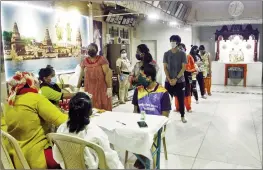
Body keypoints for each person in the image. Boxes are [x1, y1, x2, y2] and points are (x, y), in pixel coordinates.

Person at [4, 71, 67, 169]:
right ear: (31, 83)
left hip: (16, 155)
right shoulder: (36, 98)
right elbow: (62, 121)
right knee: (69, 157)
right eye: (37, 83)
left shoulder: (10, 101)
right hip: (37, 155)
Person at [53, 92, 124, 169]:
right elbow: (111, 160)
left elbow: (57, 157)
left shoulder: (62, 129)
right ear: (90, 112)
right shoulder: (96, 133)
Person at [132, 64, 171, 169]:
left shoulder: (163, 93)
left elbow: (164, 118)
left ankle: (143, 157)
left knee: (145, 135)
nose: (138, 78)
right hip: (141, 122)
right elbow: (135, 111)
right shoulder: (138, 90)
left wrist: (152, 126)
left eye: (141, 76)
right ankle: (141, 155)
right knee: (128, 132)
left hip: (156, 126)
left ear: (149, 77)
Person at [77, 43, 112, 111]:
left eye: (92, 49)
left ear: (96, 50)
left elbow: (107, 74)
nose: (90, 50)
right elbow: (81, 74)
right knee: (91, 105)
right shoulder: (85, 61)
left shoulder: (102, 59)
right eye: (89, 49)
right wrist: (77, 87)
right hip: (89, 87)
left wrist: (109, 88)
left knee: (103, 104)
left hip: (101, 87)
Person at [163, 35, 187, 123]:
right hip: (168, 81)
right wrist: (169, 79)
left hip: (180, 81)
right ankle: (165, 117)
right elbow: (165, 67)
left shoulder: (182, 54)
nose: (172, 43)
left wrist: (176, 79)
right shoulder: (166, 54)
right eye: (171, 41)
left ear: (178, 43)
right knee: (167, 100)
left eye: (174, 41)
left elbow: (183, 68)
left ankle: (182, 116)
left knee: (181, 99)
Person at [174, 43, 196, 112]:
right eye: (178, 48)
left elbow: (194, 68)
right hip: (177, 78)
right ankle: (178, 108)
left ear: (185, 49)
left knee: (187, 92)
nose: (180, 49)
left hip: (187, 77)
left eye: (181, 48)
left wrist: (187, 71)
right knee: (177, 93)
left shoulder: (189, 57)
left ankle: (188, 108)